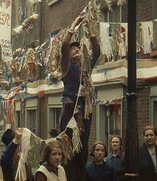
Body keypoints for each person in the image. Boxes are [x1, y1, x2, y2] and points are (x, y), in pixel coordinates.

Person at [60, 11, 100, 181]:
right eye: (73, 49)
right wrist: (73, 27)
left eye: (77, 48)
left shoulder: (86, 66)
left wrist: (90, 33)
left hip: (86, 110)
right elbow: (63, 47)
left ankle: (81, 175)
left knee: (82, 147)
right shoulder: (66, 66)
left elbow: (96, 51)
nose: (76, 49)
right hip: (70, 108)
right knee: (68, 145)